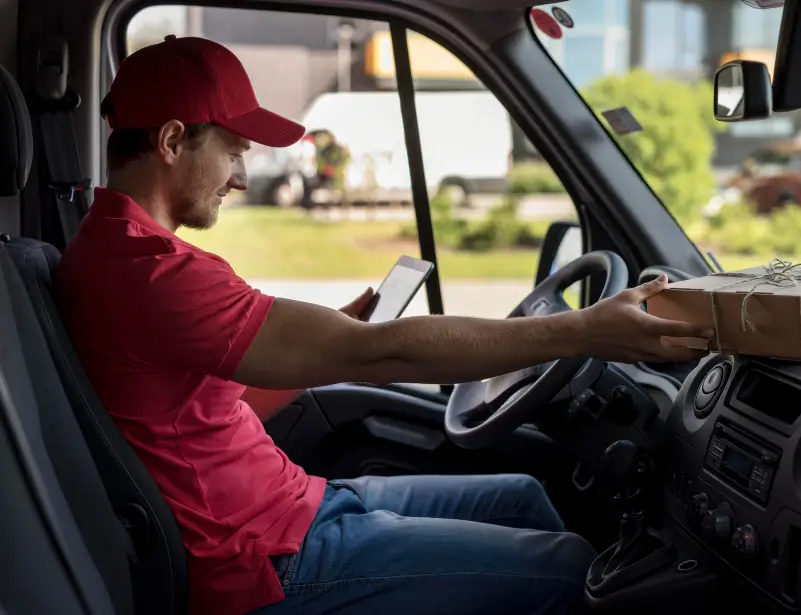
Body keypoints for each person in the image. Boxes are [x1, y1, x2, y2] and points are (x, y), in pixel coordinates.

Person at [53, 35, 714, 615]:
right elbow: (377, 355)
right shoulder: (152, 272)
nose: (242, 177)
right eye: (233, 151)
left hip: (290, 507)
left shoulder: (114, 250)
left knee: (521, 494)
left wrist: (332, 341)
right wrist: (583, 332)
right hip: (261, 561)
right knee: (569, 567)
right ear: (172, 141)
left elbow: (206, 400)